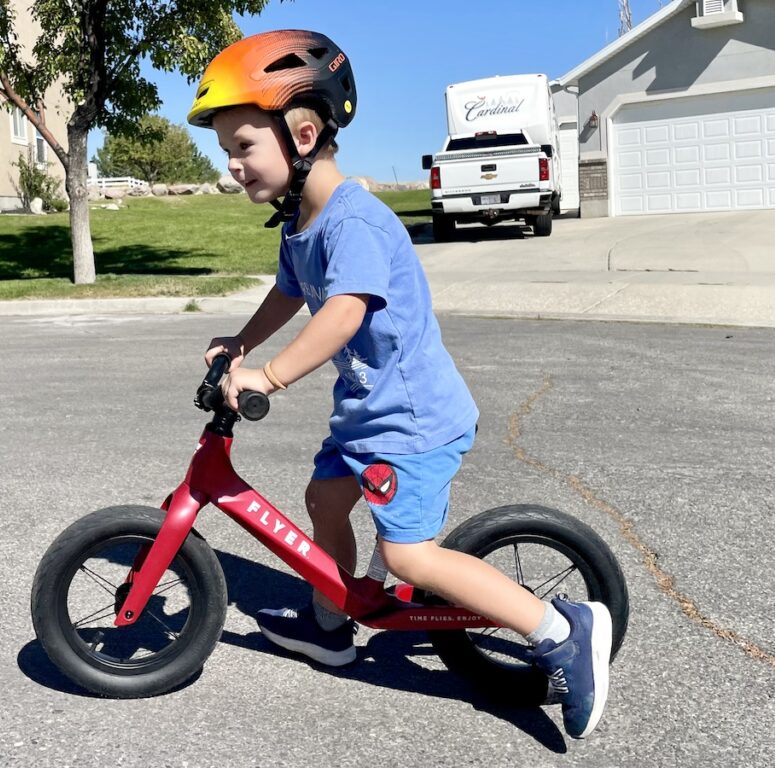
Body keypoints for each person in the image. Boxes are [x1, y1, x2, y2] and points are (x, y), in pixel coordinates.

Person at [187, 29, 612, 739]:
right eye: (226, 150)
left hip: (410, 421)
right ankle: (331, 624)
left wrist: (270, 374)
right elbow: (290, 293)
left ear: (302, 131)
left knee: (408, 555)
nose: (232, 165)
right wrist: (241, 340)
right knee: (324, 498)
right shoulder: (302, 222)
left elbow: (346, 311)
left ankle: (558, 629)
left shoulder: (354, 220)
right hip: (366, 415)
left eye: (242, 145)